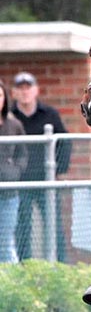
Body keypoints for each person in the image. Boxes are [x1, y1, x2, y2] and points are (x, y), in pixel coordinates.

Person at [12, 71, 70, 261]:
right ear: (14, 93)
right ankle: (25, 269)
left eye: (28, 88)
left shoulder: (50, 114)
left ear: (36, 90)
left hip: (47, 180)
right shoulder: (9, 118)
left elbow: (65, 141)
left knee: (54, 226)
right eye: (20, 89)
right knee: (22, 228)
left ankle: (61, 267)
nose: (24, 92)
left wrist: (59, 170)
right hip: (20, 183)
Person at [0, 79, 27, 262]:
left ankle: (10, 281)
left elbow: (22, 154)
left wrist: (14, 171)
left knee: (5, 240)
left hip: (9, 193)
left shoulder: (14, 124)